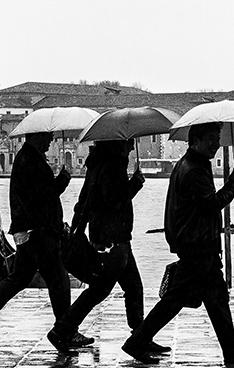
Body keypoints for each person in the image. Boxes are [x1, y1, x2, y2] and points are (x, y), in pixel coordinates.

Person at [121, 122, 234, 365]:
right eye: (211, 138)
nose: (216, 144)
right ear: (196, 140)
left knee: (217, 300)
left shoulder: (190, 165)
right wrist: (233, 184)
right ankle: (137, 341)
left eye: (218, 138)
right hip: (197, 245)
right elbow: (212, 203)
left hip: (200, 243)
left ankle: (233, 349)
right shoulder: (194, 170)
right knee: (174, 300)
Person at [47, 140, 167, 353]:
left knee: (133, 287)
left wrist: (79, 228)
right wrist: (136, 183)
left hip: (108, 236)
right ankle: (62, 329)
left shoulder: (96, 164)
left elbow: (84, 200)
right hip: (113, 239)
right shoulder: (113, 166)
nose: (131, 148)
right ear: (118, 144)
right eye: (130, 143)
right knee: (100, 290)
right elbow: (115, 199)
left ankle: (140, 335)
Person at [0, 132, 78, 347]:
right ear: (37, 136)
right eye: (48, 137)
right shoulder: (31, 161)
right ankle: (65, 331)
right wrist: (63, 179)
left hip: (28, 229)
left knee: (19, 279)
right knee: (59, 280)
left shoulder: (27, 158)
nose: (50, 141)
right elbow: (44, 195)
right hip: (38, 231)